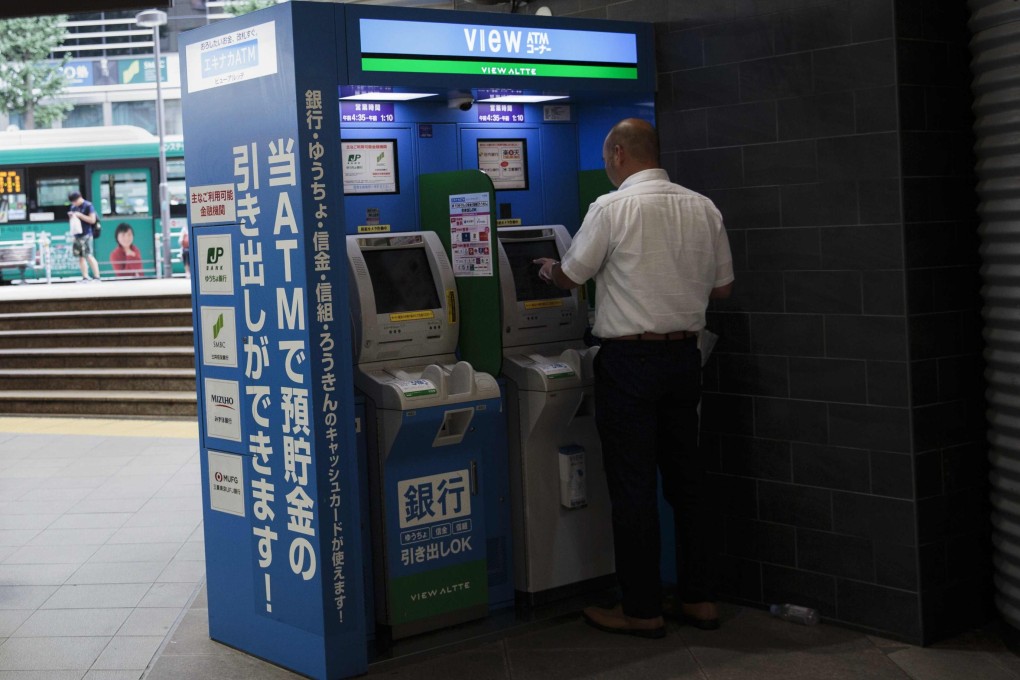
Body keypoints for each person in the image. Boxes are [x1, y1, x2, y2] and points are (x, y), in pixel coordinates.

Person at [535, 118, 734, 639]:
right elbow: (722, 289)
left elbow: (573, 274)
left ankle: (641, 609)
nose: (606, 166)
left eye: (606, 158)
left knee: (634, 486)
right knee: (687, 484)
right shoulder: (703, 206)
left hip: (629, 364)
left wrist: (545, 270)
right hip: (685, 359)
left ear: (619, 153)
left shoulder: (611, 207)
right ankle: (700, 599)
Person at [68, 191, 101, 282]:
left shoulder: (88, 206)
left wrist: (80, 215)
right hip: (77, 234)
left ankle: (97, 276)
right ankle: (85, 277)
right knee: (81, 257)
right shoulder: (73, 207)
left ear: (79, 198)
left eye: (75, 201)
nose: (74, 203)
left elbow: (92, 220)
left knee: (88, 255)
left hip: (87, 234)